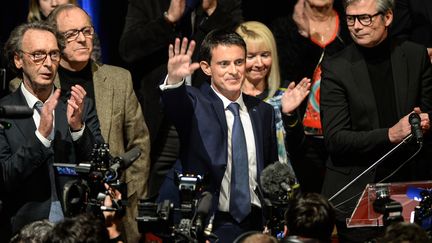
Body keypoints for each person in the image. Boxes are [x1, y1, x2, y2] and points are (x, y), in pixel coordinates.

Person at [23, 4, 148, 243]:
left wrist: (132, 196)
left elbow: (139, 143)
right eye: (71, 34)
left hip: (112, 205)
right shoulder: (37, 83)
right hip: (59, 206)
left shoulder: (119, 79)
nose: (82, 39)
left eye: (87, 31)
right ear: (56, 40)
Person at [319, 0, 432, 242]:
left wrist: (423, 122)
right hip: (357, 192)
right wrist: (390, 134)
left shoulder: (415, 55)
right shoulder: (336, 67)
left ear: (388, 17)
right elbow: (336, 139)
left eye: (365, 18)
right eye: (350, 19)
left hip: (410, 189)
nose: (356, 26)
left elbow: (428, 112)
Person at [160, 30, 278, 242]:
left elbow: (270, 170)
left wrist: (273, 217)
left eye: (239, 62)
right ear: (207, 68)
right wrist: (175, 80)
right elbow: (175, 106)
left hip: (254, 223)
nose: (233, 71)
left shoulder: (263, 111)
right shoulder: (195, 102)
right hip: (209, 221)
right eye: (224, 64)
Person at [119, 0, 243, 200]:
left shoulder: (225, 4)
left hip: (210, 113)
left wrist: (213, 12)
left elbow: (239, 44)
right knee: (153, 190)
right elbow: (128, 49)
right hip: (162, 116)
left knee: (209, 188)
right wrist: (168, 20)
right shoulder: (148, 4)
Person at [0, 21, 102, 242]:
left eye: (54, 54)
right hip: (26, 229)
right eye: (38, 55)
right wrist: (40, 138)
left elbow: (99, 167)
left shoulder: (78, 105)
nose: (48, 63)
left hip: (77, 227)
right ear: (19, 59)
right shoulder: (4, 112)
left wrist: (78, 129)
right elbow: (4, 177)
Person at [271, 0, 352, 194]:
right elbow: (284, 79)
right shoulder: (285, 29)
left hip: (344, 132)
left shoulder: (351, 24)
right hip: (302, 137)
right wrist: (303, 35)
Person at [235, 21, 310, 177]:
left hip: (280, 189)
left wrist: (289, 116)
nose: (259, 63)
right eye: (251, 56)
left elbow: (299, 150)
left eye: (265, 55)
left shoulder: (284, 93)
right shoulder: (229, 97)